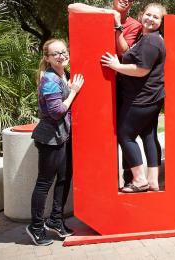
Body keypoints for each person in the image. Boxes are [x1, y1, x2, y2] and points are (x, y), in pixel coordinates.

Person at [69, 0, 143, 186]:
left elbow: (124, 52)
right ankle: (101, 183)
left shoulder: (135, 25)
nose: (124, 0)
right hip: (98, 83)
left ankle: (129, 179)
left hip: (123, 85)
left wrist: (117, 25)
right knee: (100, 132)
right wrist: (107, 13)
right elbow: (72, 7)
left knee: (126, 133)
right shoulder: (100, 14)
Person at [100, 3, 167, 193]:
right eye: (148, 15)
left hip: (141, 99)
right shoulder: (144, 38)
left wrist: (116, 66)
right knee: (148, 135)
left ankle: (139, 180)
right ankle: (153, 181)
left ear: (161, 22)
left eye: (156, 17)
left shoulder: (152, 41)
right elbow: (127, 51)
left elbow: (141, 70)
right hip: (149, 98)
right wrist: (118, 28)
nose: (151, 19)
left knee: (125, 135)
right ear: (142, 15)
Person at [27, 39, 84, 246]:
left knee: (64, 178)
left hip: (62, 137)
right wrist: (75, 91)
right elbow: (57, 111)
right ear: (47, 58)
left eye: (63, 51)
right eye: (55, 54)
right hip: (49, 139)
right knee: (44, 183)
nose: (61, 55)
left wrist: (70, 87)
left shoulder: (62, 74)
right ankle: (35, 227)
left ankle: (55, 220)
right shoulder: (49, 79)